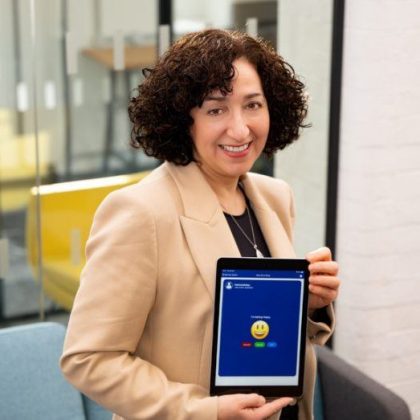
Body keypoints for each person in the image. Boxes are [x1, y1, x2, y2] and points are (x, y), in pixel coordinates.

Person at [61, 29, 340, 420]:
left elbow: (254, 329)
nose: (241, 129)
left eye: (253, 105)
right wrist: (202, 411)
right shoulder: (140, 212)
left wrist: (305, 305)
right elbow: (88, 358)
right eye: (216, 109)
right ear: (183, 119)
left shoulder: (274, 197)